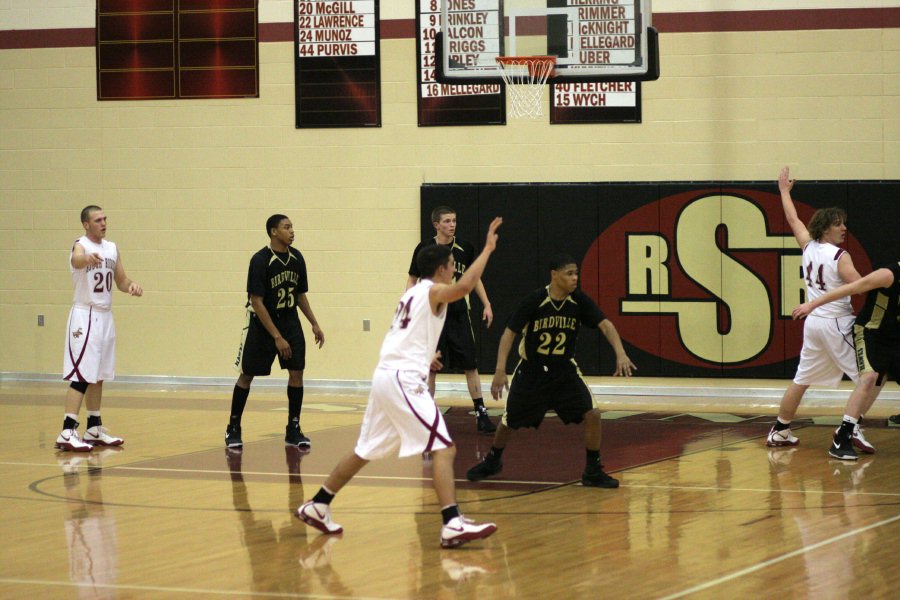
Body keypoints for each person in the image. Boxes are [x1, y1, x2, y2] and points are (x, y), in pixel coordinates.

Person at [297, 217, 504, 549]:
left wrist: (425, 357)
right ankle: (451, 523)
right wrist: (489, 249)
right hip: (402, 381)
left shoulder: (411, 296)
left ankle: (319, 504)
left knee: (364, 450)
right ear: (439, 269)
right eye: (451, 265)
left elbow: (403, 335)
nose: (453, 270)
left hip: (387, 375)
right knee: (443, 447)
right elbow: (465, 288)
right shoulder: (433, 290)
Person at [466, 254, 637, 488]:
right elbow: (509, 333)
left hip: (563, 370)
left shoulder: (578, 301)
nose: (575, 278)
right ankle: (493, 459)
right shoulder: (535, 300)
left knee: (593, 414)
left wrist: (621, 353)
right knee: (508, 422)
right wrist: (499, 369)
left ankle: (593, 469)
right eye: (569, 273)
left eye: (576, 273)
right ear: (554, 275)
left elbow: (605, 325)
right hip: (532, 370)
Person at [766, 167, 876, 453]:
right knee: (870, 378)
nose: (844, 228)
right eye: (839, 224)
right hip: (836, 323)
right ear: (826, 227)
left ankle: (780, 429)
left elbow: (792, 219)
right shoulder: (839, 255)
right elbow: (860, 287)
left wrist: (784, 192)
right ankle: (849, 429)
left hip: (814, 323)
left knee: (801, 380)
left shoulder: (808, 246)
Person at [225, 215, 324, 450]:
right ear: (273, 232)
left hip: (290, 320)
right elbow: (256, 301)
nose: (292, 231)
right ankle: (233, 427)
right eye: (286, 227)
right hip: (263, 324)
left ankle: (293, 428)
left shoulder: (297, 258)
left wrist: (314, 323)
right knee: (247, 375)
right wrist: (276, 337)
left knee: (297, 372)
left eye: (292, 227)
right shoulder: (260, 260)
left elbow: (300, 295)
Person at [56, 206, 143, 452]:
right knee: (82, 375)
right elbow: (76, 258)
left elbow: (121, 280)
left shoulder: (112, 248)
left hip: (105, 316)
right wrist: (86, 259)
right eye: (97, 220)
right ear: (86, 224)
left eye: (105, 219)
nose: (103, 223)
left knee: (99, 374)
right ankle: (67, 430)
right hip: (85, 315)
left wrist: (132, 286)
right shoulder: (80, 244)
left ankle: (94, 426)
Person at [792, 261, 900, 460]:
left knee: (879, 379)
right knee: (869, 378)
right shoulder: (888, 275)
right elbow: (851, 287)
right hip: (870, 332)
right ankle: (842, 437)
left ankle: (854, 425)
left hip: (895, 338)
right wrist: (811, 304)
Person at [407, 206, 496, 434]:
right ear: (436, 224)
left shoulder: (464, 248)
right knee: (431, 367)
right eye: (447, 221)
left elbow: (473, 278)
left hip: (458, 314)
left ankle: (481, 413)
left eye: (454, 220)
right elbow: (412, 278)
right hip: (433, 315)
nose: (452, 224)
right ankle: (426, 417)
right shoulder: (425, 249)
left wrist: (486, 304)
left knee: (470, 364)